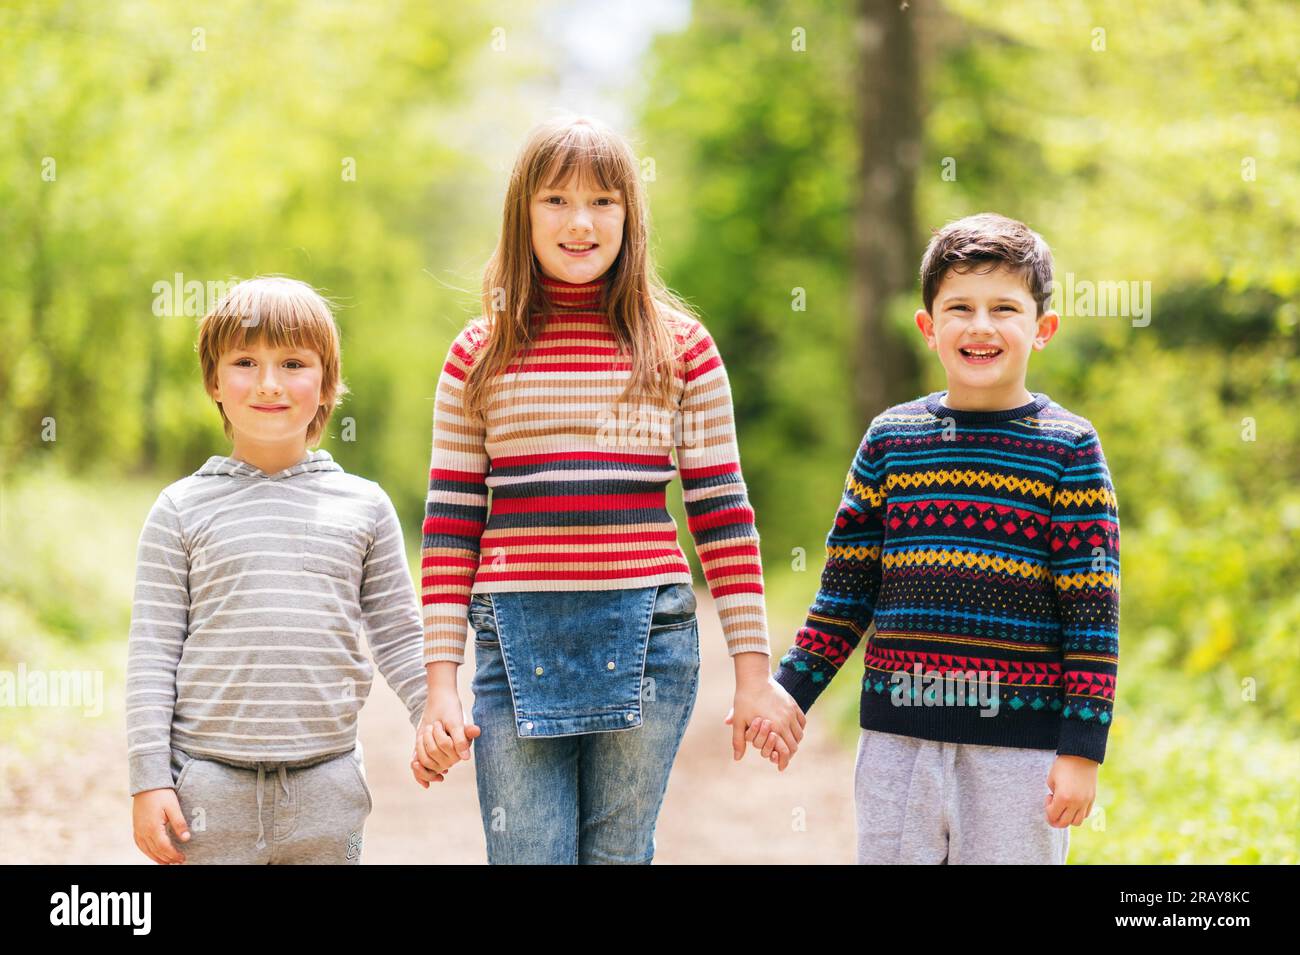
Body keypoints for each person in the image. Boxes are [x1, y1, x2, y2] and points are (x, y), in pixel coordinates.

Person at [415, 115, 804, 864]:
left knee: (619, 854)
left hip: (648, 637)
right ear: (522, 214)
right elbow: (450, 530)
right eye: (556, 200)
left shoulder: (679, 347)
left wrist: (753, 677)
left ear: (630, 215)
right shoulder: (479, 354)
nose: (581, 222)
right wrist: (442, 687)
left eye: (603, 201)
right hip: (514, 638)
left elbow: (723, 516)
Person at [772, 213, 1120, 864]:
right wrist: (791, 690)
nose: (981, 325)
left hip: (1019, 751)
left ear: (1042, 328)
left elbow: (1092, 617)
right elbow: (846, 593)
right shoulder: (890, 441)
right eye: (959, 306)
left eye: (1004, 307)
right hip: (897, 744)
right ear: (929, 327)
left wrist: (1080, 749)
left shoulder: (1069, 449)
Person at [126, 276, 444, 864]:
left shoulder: (364, 507)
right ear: (214, 382)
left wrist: (432, 710)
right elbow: (152, 654)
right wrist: (149, 780)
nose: (269, 384)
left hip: (329, 785)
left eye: (293, 362)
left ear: (326, 383)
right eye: (246, 361)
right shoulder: (179, 510)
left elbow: (398, 633)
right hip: (207, 788)